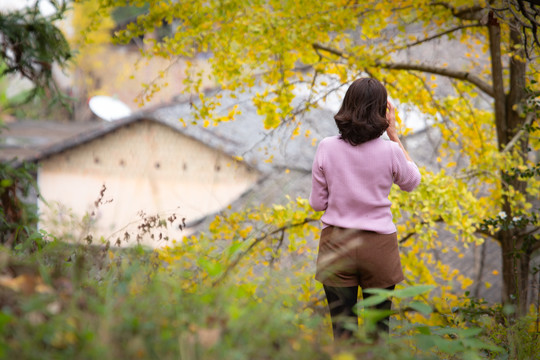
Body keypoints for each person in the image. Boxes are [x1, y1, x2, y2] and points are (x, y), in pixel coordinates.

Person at [309, 77, 421, 341]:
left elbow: (317, 203)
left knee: (343, 334)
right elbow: (412, 182)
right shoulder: (391, 151)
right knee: (377, 334)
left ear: (347, 105)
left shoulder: (326, 147)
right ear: (382, 111)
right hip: (379, 248)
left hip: (337, 245)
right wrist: (394, 133)